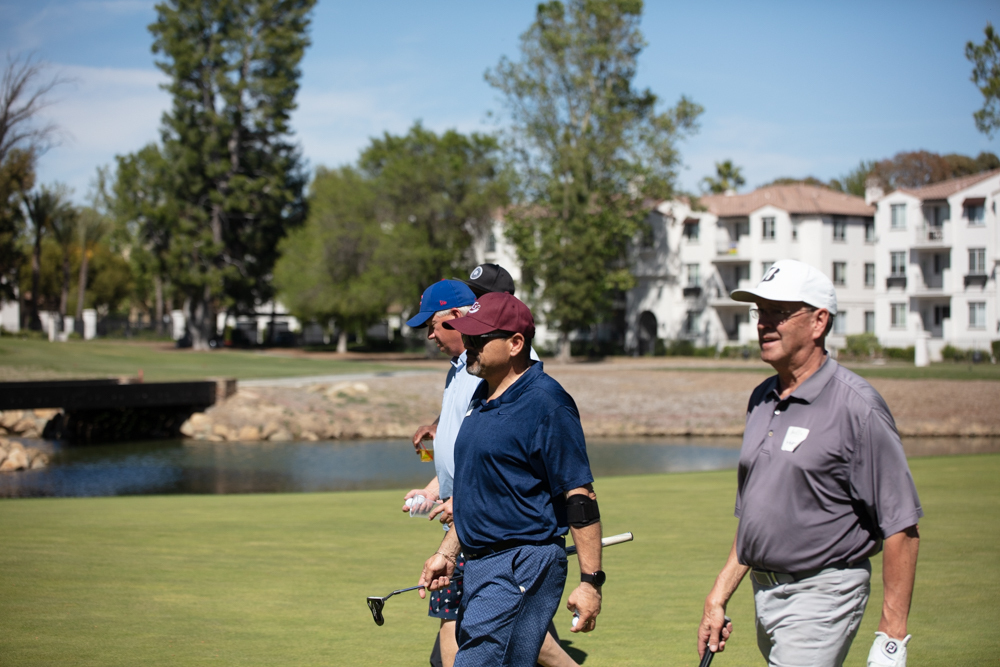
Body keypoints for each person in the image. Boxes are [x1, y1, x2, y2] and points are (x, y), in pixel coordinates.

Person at [697, 259, 922, 667]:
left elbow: (901, 524)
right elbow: (755, 517)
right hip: (766, 595)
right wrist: (719, 595)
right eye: (760, 312)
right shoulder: (761, 398)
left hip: (824, 592)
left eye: (779, 312)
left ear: (819, 321)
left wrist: (892, 635)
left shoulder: (857, 407)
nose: (764, 323)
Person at [418, 292, 604, 667]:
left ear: (516, 343)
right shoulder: (481, 397)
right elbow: (477, 492)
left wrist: (590, 583)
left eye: (478, 338)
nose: (468, 344)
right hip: (479, 566)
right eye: (466, 336)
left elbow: (580, 497)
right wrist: (448, 552)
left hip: (522, 564)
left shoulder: (547, 403)